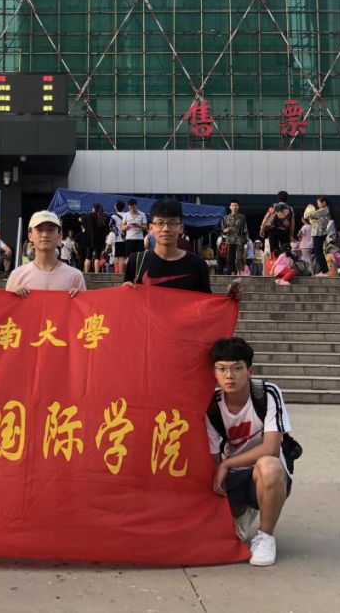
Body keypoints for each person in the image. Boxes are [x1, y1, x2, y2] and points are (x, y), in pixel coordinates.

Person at [206, 336, 293, 567]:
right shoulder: (212, 406)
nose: (229, 376)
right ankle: (240, 512)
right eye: (222, 369)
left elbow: (271, 448)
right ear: (214, 372)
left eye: (237, 368)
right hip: (234, 476)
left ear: (250, 371)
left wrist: (227, 464)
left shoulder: (266, 394)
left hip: (262, 475)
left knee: (269, 465)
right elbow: (214, 457)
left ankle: (265, 536)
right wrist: (220, 474)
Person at [124, 199, 212, 294]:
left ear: (181, 228)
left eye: (172, 223)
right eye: (160, 223)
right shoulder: (136, 261)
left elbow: (207, 301)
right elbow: (129, 298)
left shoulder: (198, 265)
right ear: (151, 228)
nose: (166, 229)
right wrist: (124, 291)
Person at [5, 210, 85, 297]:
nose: (45, 235)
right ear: (30, 236)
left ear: (59, 236)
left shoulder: (75, 277)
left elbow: (85, 306)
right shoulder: (17, 276)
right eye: (39, 230)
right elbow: (6, 305)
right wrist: (11, 295)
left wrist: (80, 297)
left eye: (51, 230)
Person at [259, 192, 294, 257]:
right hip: (284, 232)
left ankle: (275, 262)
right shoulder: (290, 208)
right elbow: (292, 224)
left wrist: (262, 228)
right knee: (285, 250)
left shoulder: (275, 206)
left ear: (278, 198)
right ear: (287, 198)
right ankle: (283, 262)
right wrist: (291, 235)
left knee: (274, 251)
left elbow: (266, 217)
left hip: (273, 231)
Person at [221, 200, 248, 276]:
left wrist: (246, 241)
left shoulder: (242, 217)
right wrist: (226, 230)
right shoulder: (225, 217)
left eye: (236, 205)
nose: (234, 207)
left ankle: (239, 273)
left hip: (240, 239)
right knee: (230, 258)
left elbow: (245, 229)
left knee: (239, 258)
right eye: (233, 205)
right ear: (230, 207)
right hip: (230, 240)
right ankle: (233, 273)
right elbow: (222, 229)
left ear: (238, 207)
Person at [121, 199, 148, 271]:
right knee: (129, 257)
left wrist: (138, 225)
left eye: (134, 208)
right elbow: (122, 227)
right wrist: (127, 226)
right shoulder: (126, 215)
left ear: (136, 206)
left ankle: (138, 272)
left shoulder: (142, 214)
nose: (132, 210)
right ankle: (129, 272)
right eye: (130, 208)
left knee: (139, 257)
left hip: (139, 239)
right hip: (129, 239)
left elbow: (146, 227)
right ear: (128, 207)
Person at [308, 197, 332, 276]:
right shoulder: (324, 210)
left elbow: (309, 215)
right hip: (318, 233)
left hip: (319, 233)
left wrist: (309, 210)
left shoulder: (324, 210)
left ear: (323, 202)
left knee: (318, 251)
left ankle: (324, 270)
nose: (318, 205)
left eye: (318, 203)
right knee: (318, 251)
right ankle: (323, 270)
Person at [83, 203, 109, 274]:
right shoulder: (103, 216)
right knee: (97, 257)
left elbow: (83, 223)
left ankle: (86, 273)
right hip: (99, 240)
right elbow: (106, 229)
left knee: (88, 256)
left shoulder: (88, 216)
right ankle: (97, 273)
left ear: (93, 209)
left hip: (90, 239)